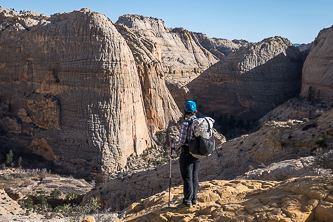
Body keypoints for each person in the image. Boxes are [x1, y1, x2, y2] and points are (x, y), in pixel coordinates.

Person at [170, 100, 201, 208]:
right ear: (195, 110)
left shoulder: (185, 123)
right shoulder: (199, 122)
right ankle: (194, 199)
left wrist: (173, 146)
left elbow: (182, 141)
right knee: (194, 176)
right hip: (197, 153)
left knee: (187, 178)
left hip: (187, 154)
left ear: (184, 110)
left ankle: (187, 201)